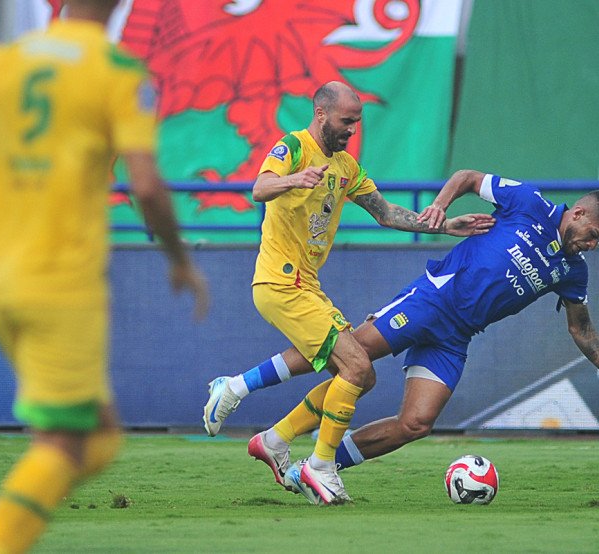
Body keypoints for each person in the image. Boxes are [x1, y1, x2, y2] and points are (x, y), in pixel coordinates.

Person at [208, 169, 599, 505]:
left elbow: (581, 327)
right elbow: (467, 177)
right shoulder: (529, 203)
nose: (591, 245)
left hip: (455, 337)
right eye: (593, 235)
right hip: (431, 302)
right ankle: (240, 388)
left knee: (416, 423)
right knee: (349, 356)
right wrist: (439, 207)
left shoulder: (572, 271)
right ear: (579, 214)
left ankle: (312, 467)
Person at [0, 1, 209, 552]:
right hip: (60, 284)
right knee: (65, 445)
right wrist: (180, 260)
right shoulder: (118, 72)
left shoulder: (5, 59)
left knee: (98, 440)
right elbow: (146, 185)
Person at [203, 81, 495, 504]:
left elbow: (386, 213)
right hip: (280, 282)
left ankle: (272, 435)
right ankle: (320, 466)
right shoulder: (294, 146)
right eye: (346, 121)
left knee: (361, 375)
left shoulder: (346, 167)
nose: (352, 129)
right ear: (321, 114)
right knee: (355, 366)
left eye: (357, 121)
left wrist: (443, 225)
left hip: (307, 285)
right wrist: (295, 179)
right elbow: (259, 188)